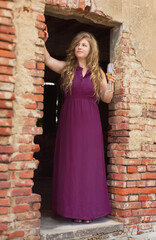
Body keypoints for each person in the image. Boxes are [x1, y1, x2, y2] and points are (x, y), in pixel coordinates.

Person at [44, 26, 116, 224]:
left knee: (89, 165)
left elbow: (107, 99)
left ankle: (89, 211)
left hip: (90, 124)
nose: (79, 46)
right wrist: (41, 40)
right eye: (77, 43)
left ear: (91, 49)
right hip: (70, 122)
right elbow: (48, 60)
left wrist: (111, 86)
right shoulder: (67, 67)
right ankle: (73, 209)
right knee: (72, 163)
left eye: (84, 44)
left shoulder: (97, 72)